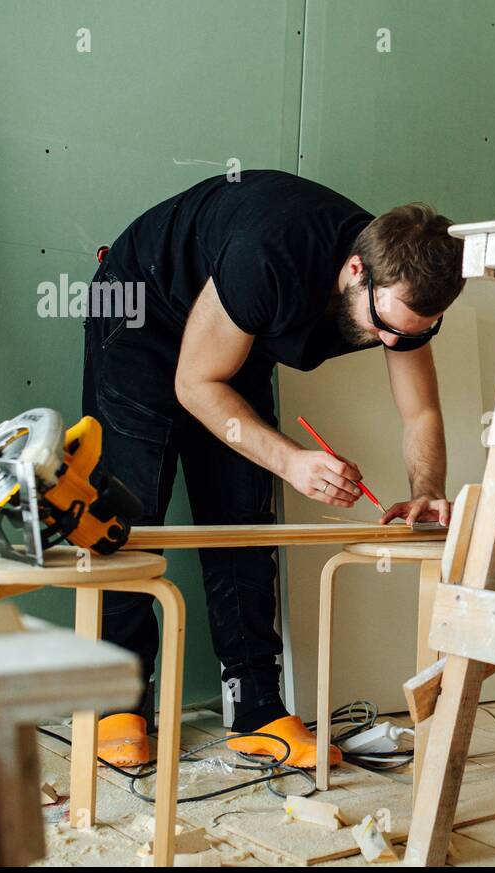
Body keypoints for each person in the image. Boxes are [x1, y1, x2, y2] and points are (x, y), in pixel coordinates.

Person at [82, 170, 463, 768]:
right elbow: (193, 383)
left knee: (242, 513)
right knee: (126, 512)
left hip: (232, 329)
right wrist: (292, 461)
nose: (394, 346)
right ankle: (115, 704)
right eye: (385, 328)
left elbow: (421, 410)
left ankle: (257, 709)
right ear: (357, 271)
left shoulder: (402, 281)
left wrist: (427, 489)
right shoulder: (272, 254)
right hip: (140, 308)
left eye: (413, 334)